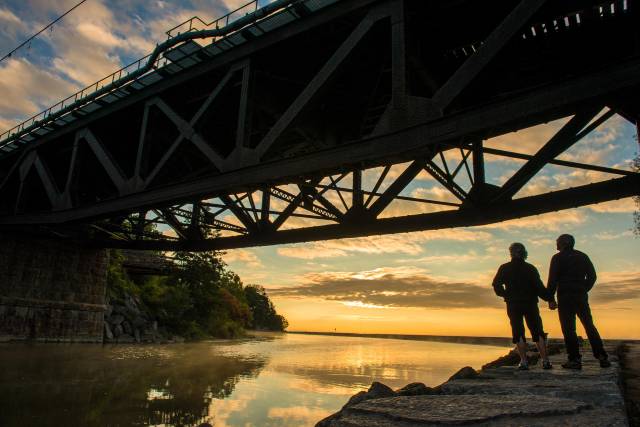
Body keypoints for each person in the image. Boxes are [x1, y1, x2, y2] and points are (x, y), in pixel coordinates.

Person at [546, 234, 610, 369]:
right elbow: (592, 276)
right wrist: (584, 288)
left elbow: (552, 280)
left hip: (565, 297)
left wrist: (550, 299)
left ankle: (574, 359)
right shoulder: (582, 256)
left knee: (569, 329)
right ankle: (602, 356)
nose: (556, 245)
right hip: (580, 296)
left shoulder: (557, 258)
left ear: (563, 243)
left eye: (557, 242)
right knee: (589, 325)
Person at [493, 242, 553, 370]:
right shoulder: (530, 268)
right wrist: (550, 299)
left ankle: (524, 362)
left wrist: (505, 295)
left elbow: (496, 285)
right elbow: (539, 288)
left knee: (518, 331)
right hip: (530, 303)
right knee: (537, 330)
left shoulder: (505, 268)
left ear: (511, 253)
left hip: (513, 304)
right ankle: (546, 361)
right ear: (524, 253)